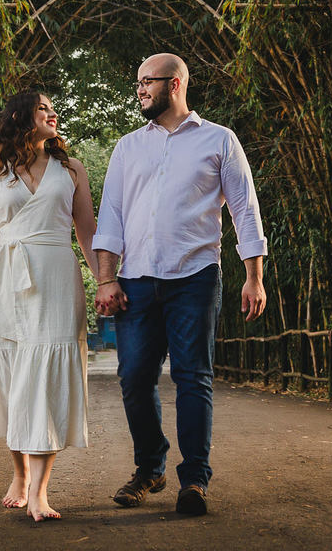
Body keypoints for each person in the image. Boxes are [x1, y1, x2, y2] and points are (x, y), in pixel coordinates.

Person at [92, 53, 267, 517]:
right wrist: (106, 278)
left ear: (177, 83)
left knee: (194, 378)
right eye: (137, 83)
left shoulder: (219, 140)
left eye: (148, 81)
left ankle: (194, 480)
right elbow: (110, 215)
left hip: (195, 277)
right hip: (137, 279)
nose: (140, 90)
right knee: (133, 378)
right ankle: (150, 468)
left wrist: (254, 277)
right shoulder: (128, 147)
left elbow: (244, 210)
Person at [0, 90, 97, 522]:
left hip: (57, 277)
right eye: (44, 108)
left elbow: (88, 233)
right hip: (7, 281)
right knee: (14, 380)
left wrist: (107, 282)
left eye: (54, 109)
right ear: (21, 116)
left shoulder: (71, 169)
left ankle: (39, 491)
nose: (53, 114)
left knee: (46, 379)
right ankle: (19, 475)